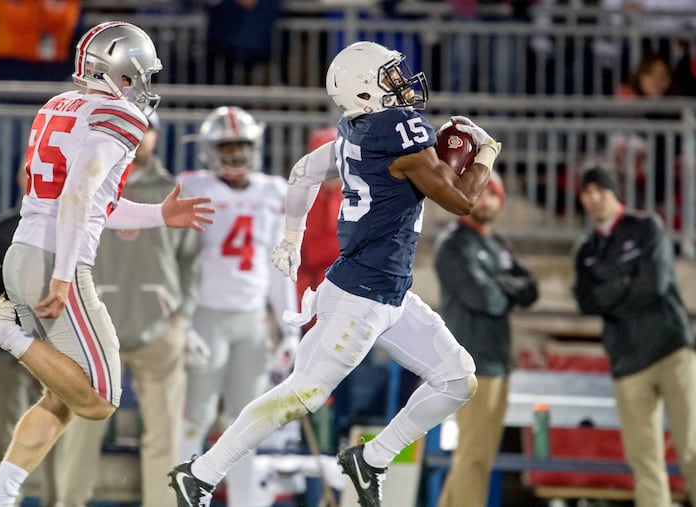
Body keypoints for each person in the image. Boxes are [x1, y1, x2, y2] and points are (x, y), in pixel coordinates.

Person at [169, 40, 502, 507]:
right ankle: (201, 473)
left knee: (457, 379)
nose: (402, 85)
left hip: (389, 294)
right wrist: (485, 152)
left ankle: (372, 460)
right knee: (302, 393)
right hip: (359, 297)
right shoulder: (397, 128)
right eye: (390, 78)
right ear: (365, 91)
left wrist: (290, 236)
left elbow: (305, 170)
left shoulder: (358, 127)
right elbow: (463, 200)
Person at [0, 21, 214, 507]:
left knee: (60, 398)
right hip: (52, 262)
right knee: (100, 401)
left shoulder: (59, 104)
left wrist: (158, 215)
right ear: (119, 72)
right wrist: (64, 276)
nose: (143, 85)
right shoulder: (121, 116)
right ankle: (2, 329)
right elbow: (78, 195)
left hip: (26, 250)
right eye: (139, 74)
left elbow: (93, 203)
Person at [53, 112, 201, 507]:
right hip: (95, 330)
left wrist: (181, 314)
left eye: (147, 129)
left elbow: (191, 261)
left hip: (159, 327)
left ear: (155, 137)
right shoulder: (83, 187)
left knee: (164, 434)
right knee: (81, 428)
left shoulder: (171, 190)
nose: (140, 137)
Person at [175, 105, 301, 507]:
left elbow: (279, 264)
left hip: (251, 320)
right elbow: (174, 261)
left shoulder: (272, 191)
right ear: (210, 151)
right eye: (225, 148)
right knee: (194, 418)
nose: (234, 156)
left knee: (247, 425)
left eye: (240, 148)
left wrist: (291, 326)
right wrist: (182, 322)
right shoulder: (193, 186)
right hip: (205, 316)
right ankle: (184, 500)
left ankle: (244, 501)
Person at [572, 166, 696, 507]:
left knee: (692, 450)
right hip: (628, 361)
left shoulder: (646, 227)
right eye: (587, 191)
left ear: (615, 191)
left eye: (601, 189)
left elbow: (653, 284)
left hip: (671, 351)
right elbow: (585, 302)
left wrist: (609, 292)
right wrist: (624, 282)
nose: (594, 197)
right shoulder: (586, 250)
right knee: (645, 461)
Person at [434, 171, 538, 507]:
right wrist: (507, 287)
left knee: (476, 456)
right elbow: (485, 298)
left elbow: (531, 290)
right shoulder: (453, 244)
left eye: (492, 194)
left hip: (497, 362)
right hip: (471, 363)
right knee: (474, 456)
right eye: (479, 193)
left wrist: (499, 284)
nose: (486, 200)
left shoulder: (498, 245)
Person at [0, 167, 60, 507]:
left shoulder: (73, 228)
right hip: (8, 345)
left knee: (55, 430)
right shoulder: (5, 227)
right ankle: (2, 501)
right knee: (6, 431)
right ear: (22, 181)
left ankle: (58, 501)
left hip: (53, 348)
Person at [0, 0, 85, 82]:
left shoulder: (69, 3)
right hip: (7, 86)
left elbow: (80, 39)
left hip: (54, 87)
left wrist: (68, 76)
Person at [296, 126, 341, 332]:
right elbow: (305, 254)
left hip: (349, 304)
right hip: (306, 304)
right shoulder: (300, 196)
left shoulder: (359, 194)